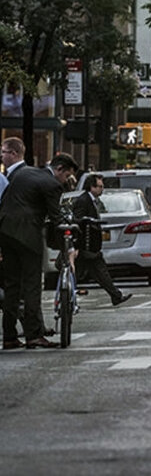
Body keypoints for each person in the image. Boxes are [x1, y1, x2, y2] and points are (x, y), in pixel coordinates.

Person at [0, 145, 77, 349]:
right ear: (59, 169)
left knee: (11, 285)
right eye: (66, 175)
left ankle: (9, 336)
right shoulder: (52, 184)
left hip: (5, 231)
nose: (65, 180)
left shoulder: (24, 172)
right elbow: (55, 217)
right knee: (32, 285)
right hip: (28, 235)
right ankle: (34, 335)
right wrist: (66, 246)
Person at [69, 175, 132, 307]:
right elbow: (77, 222)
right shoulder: (83, 201)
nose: (102, 189)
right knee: (77, 273)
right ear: (91, 187)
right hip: (85, 246)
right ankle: (68, 300)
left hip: (90, 247)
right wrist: (77, 245)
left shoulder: (92, 200)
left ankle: (116, 296)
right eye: (100, 186)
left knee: (100, 273)